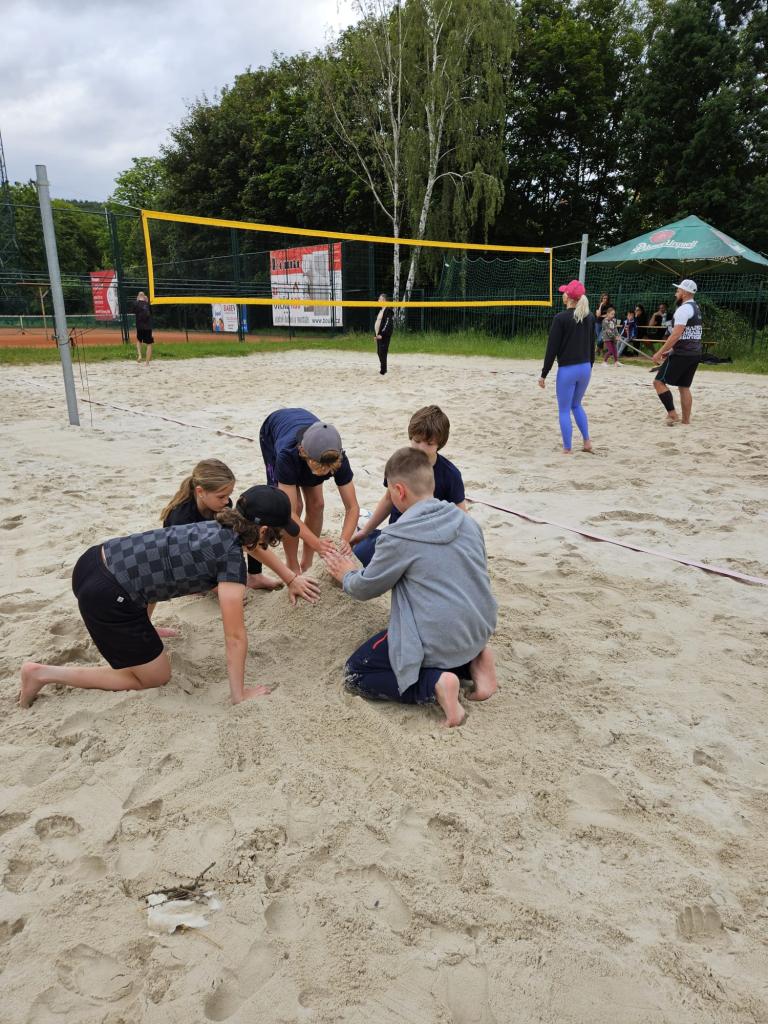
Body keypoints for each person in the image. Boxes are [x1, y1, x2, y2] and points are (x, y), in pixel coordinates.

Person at [19, 487, 320, 710]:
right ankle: (42, 674)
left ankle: (143, 629)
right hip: (107, 597)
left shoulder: (222, 524)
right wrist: (239, 695)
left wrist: (290, 578)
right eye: (276, 533)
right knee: (155, 677)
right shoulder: (230, 561)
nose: (276, 538)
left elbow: (252, 545)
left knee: (153, 573)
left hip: (94, 560)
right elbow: (235, 636)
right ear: (264, 529)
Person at [324, 447, 498, 728]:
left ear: (399, 491)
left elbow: (365, 588)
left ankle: (436, 684)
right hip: (478, 628)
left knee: (357, 674)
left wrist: (346, 574)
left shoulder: (398, 537)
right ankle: (476, 661)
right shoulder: (467, 522)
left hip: (440, 638)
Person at [352, 405, 466, 567]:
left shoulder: (450, 475)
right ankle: (367, 527)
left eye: (429, 443)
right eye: (417, 441)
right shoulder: (399, 463)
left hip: (429, 543)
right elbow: (388, 500)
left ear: (439, 444)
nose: (421, 448)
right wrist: (366, 531)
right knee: (358, 556)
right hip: (396, 536)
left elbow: (462, 517)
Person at [259, 408, 360, 573]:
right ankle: (292, 564)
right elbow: (288, 514)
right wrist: (317, 543)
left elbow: (352, 507)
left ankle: (307, 563)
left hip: (312, 444)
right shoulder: (287, 455)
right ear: (302, 452)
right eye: (319, 468)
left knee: (317, 504)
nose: (324, 473)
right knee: (295, 506)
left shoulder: (337, 458)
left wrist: (344, 541)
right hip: (273, 431)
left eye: (328, 469)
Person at [161, 458, 283, 592]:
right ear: (200, 492)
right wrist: (215, 587)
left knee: (249, 528)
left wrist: (289, 577)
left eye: (228, 495)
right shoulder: (181, 517)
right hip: (180, 562)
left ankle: (255, 576)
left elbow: (244, 538)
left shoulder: (222, 504)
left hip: (207, 549)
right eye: (221, 496)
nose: (226, 501)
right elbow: (181, 559)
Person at [538, 280, 595, 454]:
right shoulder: (590, 317)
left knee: (564, 410)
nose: (562, 294)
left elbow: (552, 349)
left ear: (569, 297)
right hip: (585, 367)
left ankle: (567, 449)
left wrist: (544, 374)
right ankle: (587, 442)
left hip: (568, 370)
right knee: (576, 405)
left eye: (564, 292)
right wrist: (589, 367)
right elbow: (592, 346)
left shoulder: (560, 318)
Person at [652, 280, 703, 425]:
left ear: (685, 293)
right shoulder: (696, 308)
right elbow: (690, 334)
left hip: (682, 354)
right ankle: (686, 421)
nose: (676, 293)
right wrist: (671, 349)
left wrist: (659, 352)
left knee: (658, 382)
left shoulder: (683, 309)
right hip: (694, 353)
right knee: (684, 386)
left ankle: (672, 414)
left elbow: (676, 334)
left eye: (678, 290)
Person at [374, 294, 395, 375]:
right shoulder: (381, 310)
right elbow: (378, 323)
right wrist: (375, 335)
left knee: (382, 352)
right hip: (379, 335)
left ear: (384, 300)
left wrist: (382, 334)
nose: (378, 301)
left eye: (380, 299)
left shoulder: (388, 310)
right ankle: (383, 369)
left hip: (384, 335)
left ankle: (383, 370)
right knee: (379, 352)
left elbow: (388, 324)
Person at [135, 291, 154, 365]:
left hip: (139, 326)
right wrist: (147, 302)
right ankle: (147, 362)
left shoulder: (136, 304)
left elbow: (134, 310)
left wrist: (138, 301)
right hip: (148, 327)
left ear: (138, 297)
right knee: (149, 344)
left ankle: (140, 355)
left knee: (139, 341)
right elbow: (151, 314)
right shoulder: (148, 304)